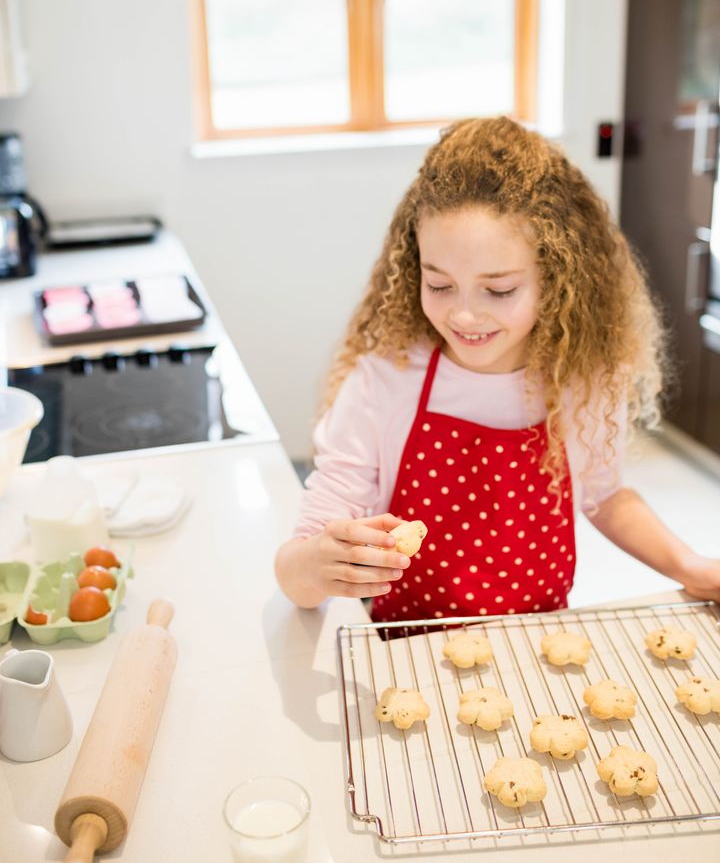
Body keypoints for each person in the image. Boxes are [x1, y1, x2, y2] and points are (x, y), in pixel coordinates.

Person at [275, 116, 720, 620]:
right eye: (439, 285)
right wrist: (316, 565)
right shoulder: (385, 381)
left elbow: (606, 497)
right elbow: (297, 572)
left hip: (534, 654)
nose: (464, 314)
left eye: (500, 289)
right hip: (407, 657)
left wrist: (690, 565)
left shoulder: (582, 378)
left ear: (554, 278)